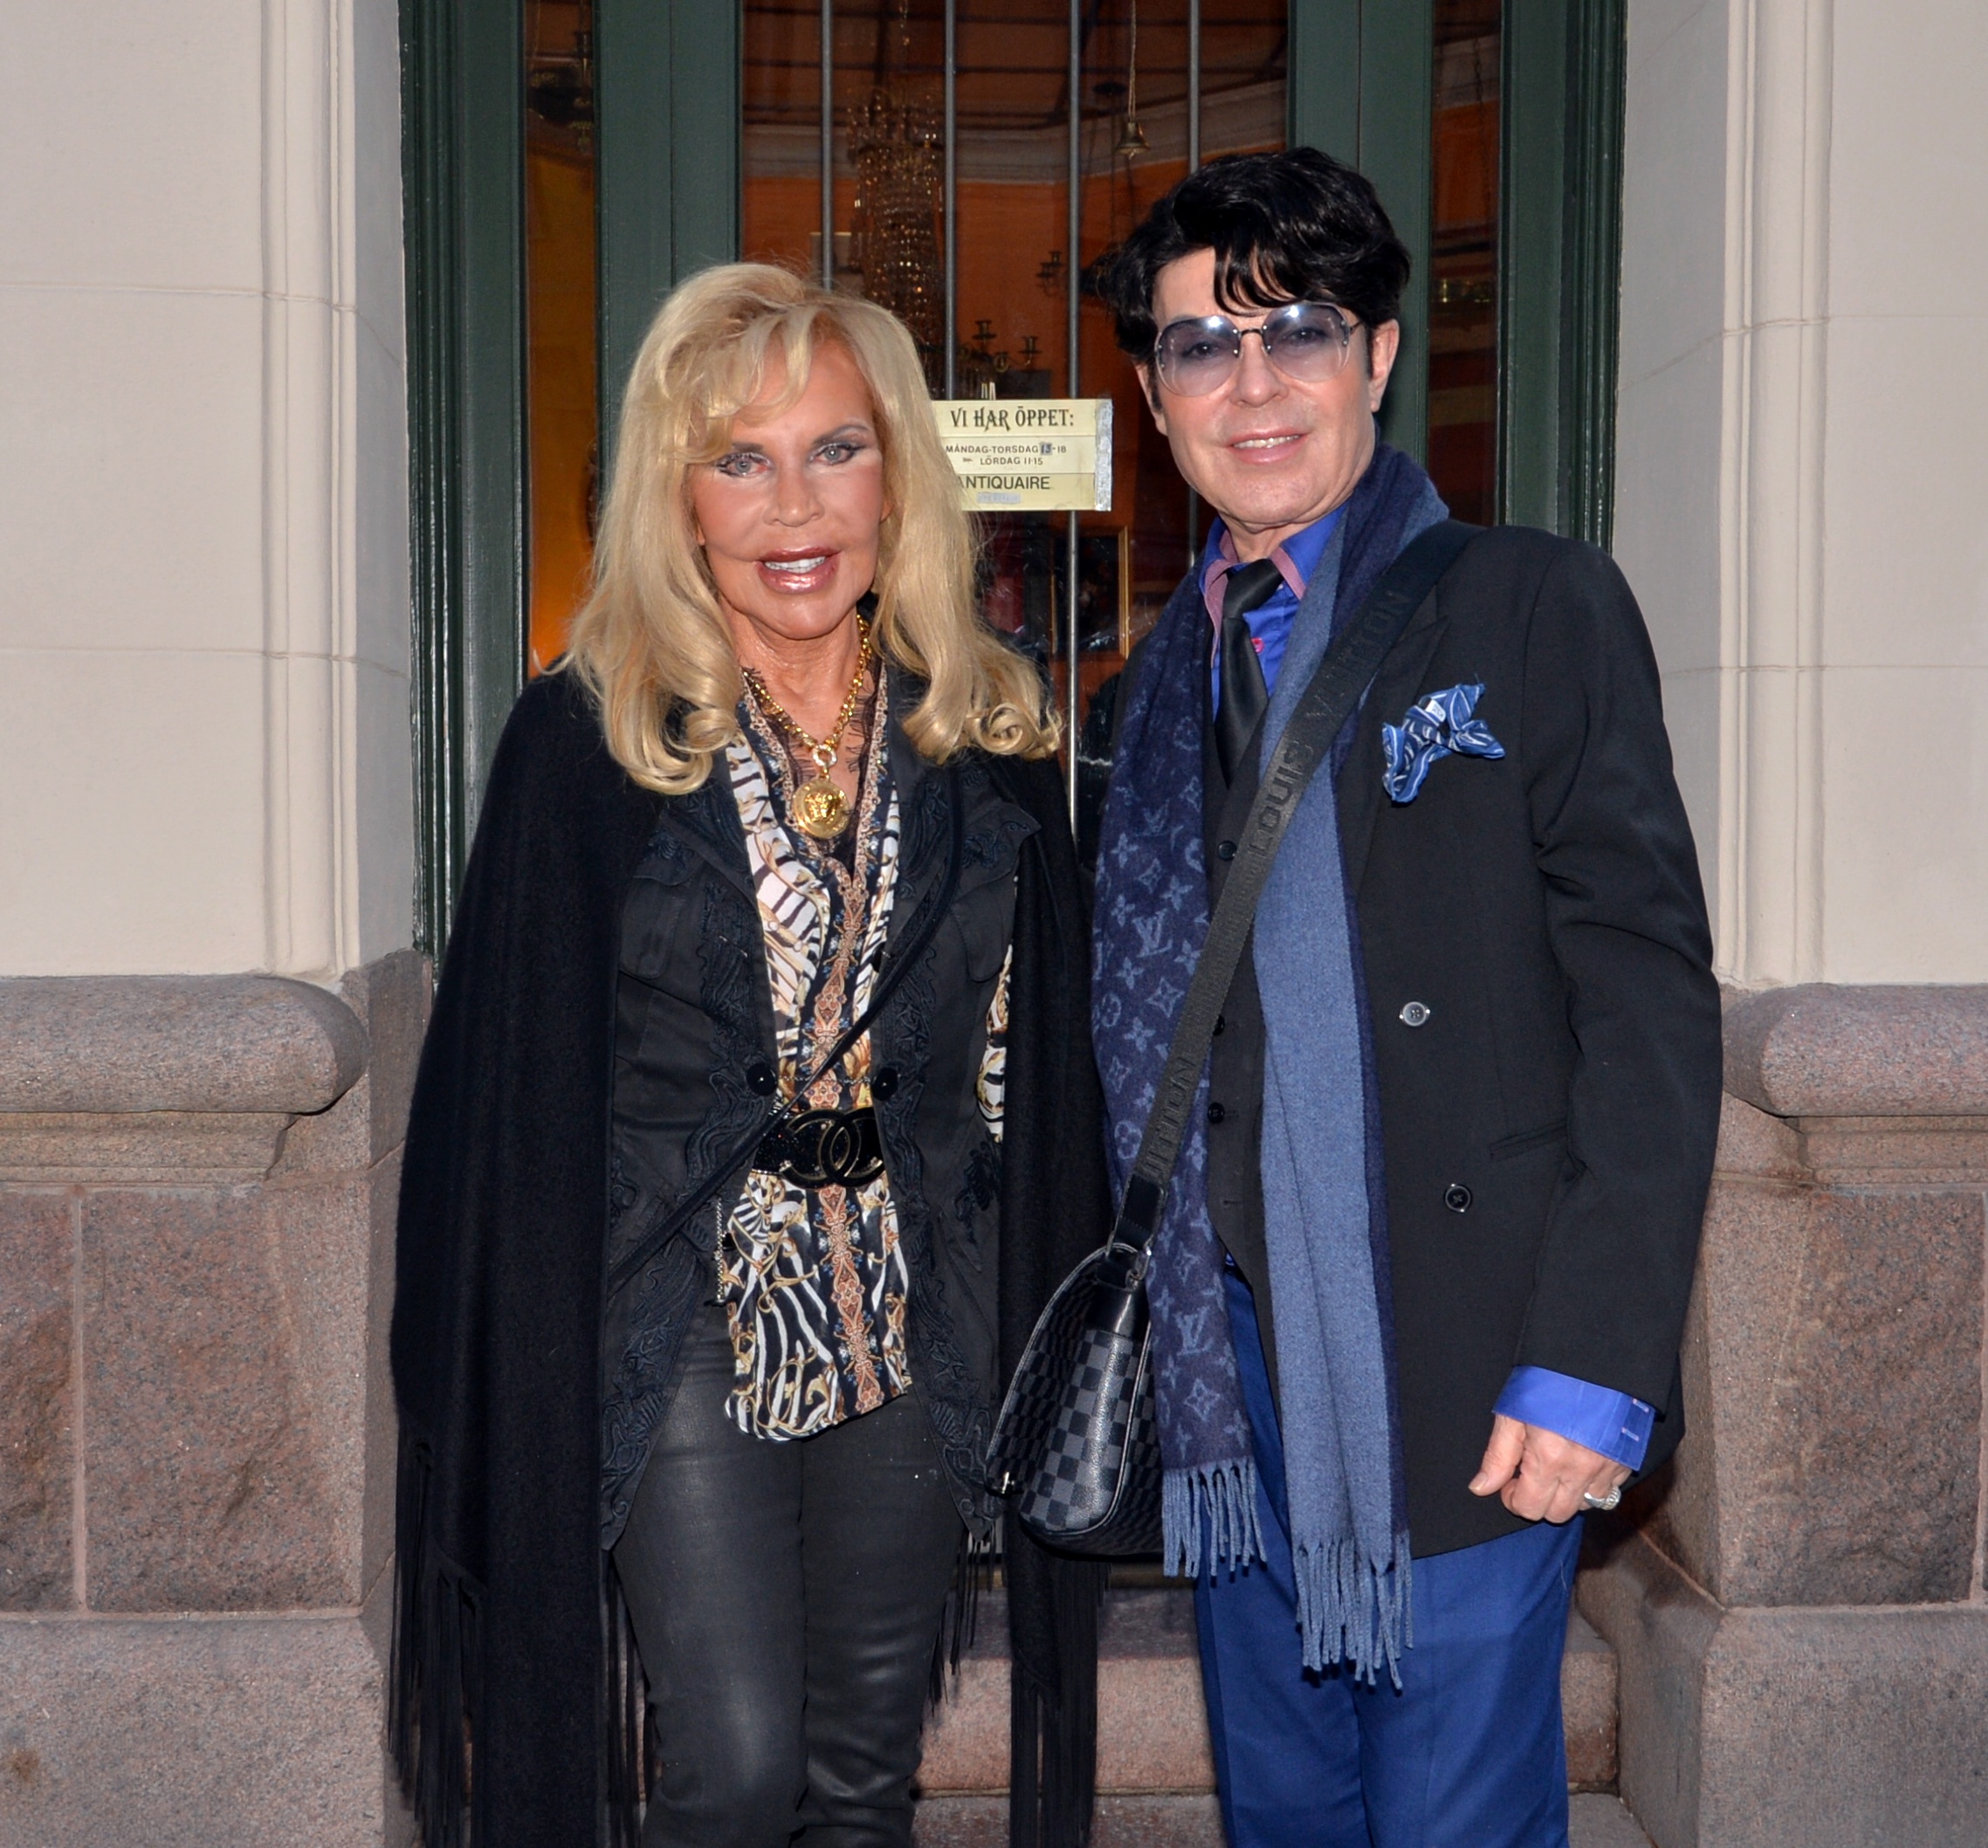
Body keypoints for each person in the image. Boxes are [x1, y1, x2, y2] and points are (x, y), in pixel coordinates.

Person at [389, 264, 1110, 1848]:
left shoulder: (984, 731)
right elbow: (507, 1086)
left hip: (911, 1300)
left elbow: (1034, 1062)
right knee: (732, 1764)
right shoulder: (592, 736)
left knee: (860, 1778)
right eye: (740, 459)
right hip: (674, 1299)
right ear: (680, 500)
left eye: (835, 449)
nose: (794, 505)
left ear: (896, 476)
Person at [1085, 149, 1723, 1847]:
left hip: (1471, 1360)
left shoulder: (1529, 606)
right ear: (1152, 398)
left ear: (1374, 355)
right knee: (1285, 1817)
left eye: (1295, 330)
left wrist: (1590, 1362)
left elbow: (1646, 1008)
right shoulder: (1147, 694)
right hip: (1231, 1379)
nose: (1252, 386)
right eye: (1199, 347)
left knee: (1452, 1821)